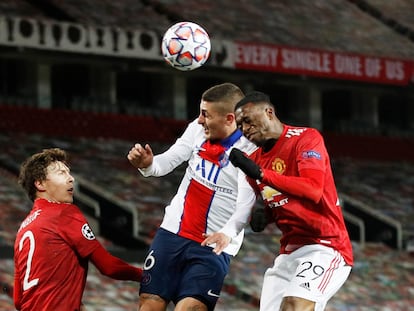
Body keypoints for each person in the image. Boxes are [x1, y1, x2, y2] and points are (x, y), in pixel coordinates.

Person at [127, 82, 257, 311]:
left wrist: (227, 233)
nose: (199, 119)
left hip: (214, 244)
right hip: (172, 232)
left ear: (229, 119)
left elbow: (247, 203)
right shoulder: (197, 130)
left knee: (190, 309)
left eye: (206, 115)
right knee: (149, 304)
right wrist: (148, 165)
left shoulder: (251, 150)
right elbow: (168, 160)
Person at [229, 91, 353, 311]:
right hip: (289, 253)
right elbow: (283, 198)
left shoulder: (305, 138)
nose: (244, 129)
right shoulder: (255, 161)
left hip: (325, 246)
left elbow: (313, 190)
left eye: (247, 120)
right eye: (239, 126)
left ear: (269, 112)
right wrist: (265, 216)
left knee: (295, 305)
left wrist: (260, 174)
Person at [14, 148, 143, 311]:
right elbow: (109, 267)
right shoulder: (64, 212)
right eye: (61, 173)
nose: (71, 179)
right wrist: (145, 276)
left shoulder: (23, 230)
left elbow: (19, 300)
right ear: (40, 184)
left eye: (69, 173)